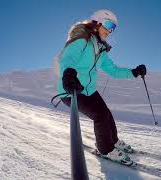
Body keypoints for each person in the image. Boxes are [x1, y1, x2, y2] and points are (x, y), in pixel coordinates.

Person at [58, 9, 146, 164]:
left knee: (106, 113)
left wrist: (133, 72)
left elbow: (113, 70)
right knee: (100, 116)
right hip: (72, 90)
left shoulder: (101, 50)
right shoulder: (82, 39)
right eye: (108, 25)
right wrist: (69, 75)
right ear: (97, 22)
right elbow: (68, 58)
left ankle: (114, 141)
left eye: (113, 28)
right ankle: (105, 149)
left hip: (89, 90)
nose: (110, 30)